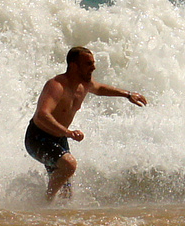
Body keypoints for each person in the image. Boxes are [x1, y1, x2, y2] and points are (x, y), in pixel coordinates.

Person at [25, 47, 147, 202]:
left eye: (93, 63)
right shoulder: (56, 85)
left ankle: (53, 215)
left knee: (67, 193)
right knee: (69, 165)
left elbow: (101, 88)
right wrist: (68, 132)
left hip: (59, 138)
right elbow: (42, 115)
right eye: (89, 64)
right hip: (37, 138)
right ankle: (44, 203)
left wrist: (128, 94)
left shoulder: (84, 85)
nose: (94, 67)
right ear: (74, 66)